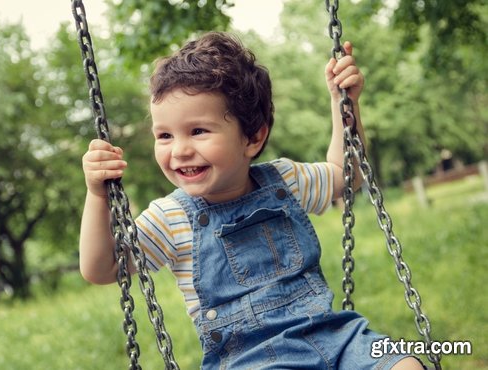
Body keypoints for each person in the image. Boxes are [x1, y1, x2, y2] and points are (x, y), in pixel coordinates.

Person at [80, 32, 425, 369]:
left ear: (253, 137)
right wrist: (98, 194)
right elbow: (103, 268)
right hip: (250, 359)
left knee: (406, 364)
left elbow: (344, 174)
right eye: (165, 135)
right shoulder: (170, 218)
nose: (180, 150)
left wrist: (344, 104)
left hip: (333, 337)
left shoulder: (285, 180)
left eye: (198, 131)